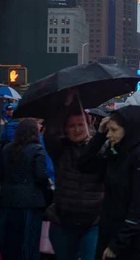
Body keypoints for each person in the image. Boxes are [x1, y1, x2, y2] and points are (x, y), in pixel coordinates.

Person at [79, 106, 140, 260]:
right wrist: (99, 136)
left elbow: (138, 206)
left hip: (132, 242)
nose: (109, 134)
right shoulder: (115, 153)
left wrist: (118, 243)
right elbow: (84, 165)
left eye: (114, 130)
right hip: (110, 231)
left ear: (129, 130)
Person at [43, 106, 105, 260]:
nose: (77, 130)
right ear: (65, 129)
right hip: (63, 221)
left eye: (80, 124)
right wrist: (65, 105)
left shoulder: (101, 148)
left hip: (93, 222)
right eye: (72, 126)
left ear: (88, 125)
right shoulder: (60, 149)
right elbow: (49, 135)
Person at [0, 119, 49, 260]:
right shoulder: (37, 149)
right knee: (27, 241)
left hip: (7, 200)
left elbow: (0, 172)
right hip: (30, 202)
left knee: (7, 240)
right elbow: (40, 174)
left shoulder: (7, 149)